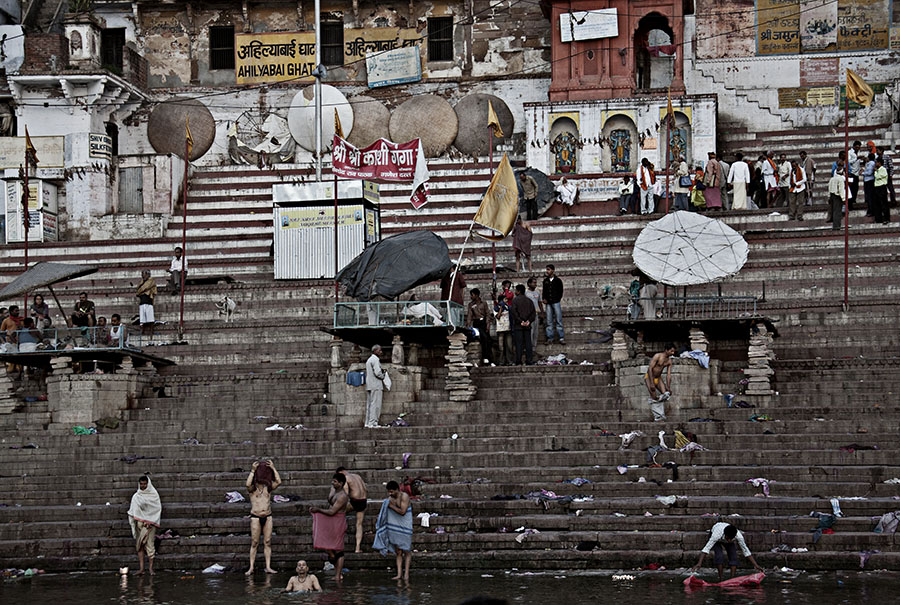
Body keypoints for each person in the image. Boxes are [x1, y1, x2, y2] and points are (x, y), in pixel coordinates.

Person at [310, 473, 349, 583]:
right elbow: (329, 500)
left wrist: (318, 510)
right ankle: (336, 567)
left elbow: (332, 512)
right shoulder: (334, 490)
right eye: (333, 481)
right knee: (328, 546)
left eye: (335, 481)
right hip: (331, 521)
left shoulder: (343, 496)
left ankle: (338, 575)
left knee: (338, 548)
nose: (333, 483)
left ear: (341, 484)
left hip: (338, 521)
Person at [691, 522, 763, 581]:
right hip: (716, 534)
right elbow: (707, 548)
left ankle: (732, 578)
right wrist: (699, 563)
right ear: (725, 535)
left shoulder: (738, 536)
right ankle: (721, 578)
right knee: (719, 556)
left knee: (734, 556)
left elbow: (745, 550)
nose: (728, 541)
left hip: (728, 535)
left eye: (730, 539)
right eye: (727, 538)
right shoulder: (716, 535)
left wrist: (755, 565)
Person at [245, 459, 282, 575]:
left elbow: (279, 481)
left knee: (267, 541)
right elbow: (247, 484)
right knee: (255, 542)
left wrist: (273, 468)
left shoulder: (268, 488)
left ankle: (268, 567)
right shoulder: (252, 489)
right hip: (255, 517)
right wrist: (252, 470)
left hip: (268, 516)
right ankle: (251, 567)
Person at [373, 480, 413, 581]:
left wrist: (391, 506)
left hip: (405, 525)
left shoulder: (404, 496)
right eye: (389, 492)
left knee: (407, 550)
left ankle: (406, 574)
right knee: (398, 551)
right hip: (395, 526)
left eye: (392, 492)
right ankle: (399, 574)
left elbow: (403, 512)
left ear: (397, 490)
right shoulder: (390, 499)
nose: (390, 494)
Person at [127, 475, 161, 576]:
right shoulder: (136, 496)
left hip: (150, 525)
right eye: (141, 484)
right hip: (140, 524)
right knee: (140, 545)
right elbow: (133, 511)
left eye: (144, 484)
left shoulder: (154, 495)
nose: (143, 486)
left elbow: (156, 508)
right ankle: (141, 568)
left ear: (148, 484)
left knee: (150, 546)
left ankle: (150, 568)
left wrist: (150, 520)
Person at [336, 466, 368, 553]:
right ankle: (357, 548)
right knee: (359, 525)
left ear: (341, 472)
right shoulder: (357, 476)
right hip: (363, 501)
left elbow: (345, 493)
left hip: (355, 501)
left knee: (336, 512)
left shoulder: (346, 478)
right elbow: (365, 488)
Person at [645, 343, 675, 421]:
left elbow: (668, 375)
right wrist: (651, 383)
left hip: (658, 378)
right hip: (649, 377)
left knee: (666, 394)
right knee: (654, 397)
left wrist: (668, 387)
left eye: (673, 351)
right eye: (671, 351)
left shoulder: (669, 361)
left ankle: (660, 414)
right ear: (666, 350)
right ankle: (657, 416)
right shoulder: (657, 356)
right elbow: (650, 369)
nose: (673, 353)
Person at [466, 288, 493, 365]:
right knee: (483, 338)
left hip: (484, 322)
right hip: (476, 323)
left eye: (472, 295)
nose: (471, 297)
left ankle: (489, 359)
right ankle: (485, 358)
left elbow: (487, 314)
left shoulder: (484, 303)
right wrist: (468, 325)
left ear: (476, 295)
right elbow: (469, 316)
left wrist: (488, 324)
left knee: (488, 340)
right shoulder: (470, 305)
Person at [509, 284, 535, 366]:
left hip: (518, 326)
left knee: (519, 344)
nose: (515, 292)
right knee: (528, 343)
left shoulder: (515, 301)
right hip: (527, 325)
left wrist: (520, 321)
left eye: (516, 290)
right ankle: (529, 360)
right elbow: (533, 313)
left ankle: (518, 361)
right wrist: (528, 321)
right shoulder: (529, 301)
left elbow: (514, 313)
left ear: (518, 291)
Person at [541, 264, 564, 345]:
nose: (547, 271)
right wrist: (544, 298)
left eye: (549, 269)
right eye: (547, 269)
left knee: (558, 320)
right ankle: (550, 337)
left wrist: (557, 299)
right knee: (549, 321)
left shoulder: (558, 280)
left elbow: (560, 291)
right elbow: (544, 291)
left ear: (553, 270)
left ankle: (561, 337)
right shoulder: (545, 281)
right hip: (548, 303)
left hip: (556, 302)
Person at [364, 345, 386, 428]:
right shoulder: (375, 360)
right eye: (379, 350)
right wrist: (383, 375)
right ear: (375, 351)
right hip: (376, 385)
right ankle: (373, 422)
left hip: (370, 385)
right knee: (375, 404)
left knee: (369, 405)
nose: (381, 352)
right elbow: (378, 373)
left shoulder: (369, 360)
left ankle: (368, 422)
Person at [136, 271, 157, 340]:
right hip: (142, 301)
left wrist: (140, 291)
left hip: (148, 301)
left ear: (148, 275)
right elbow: (138, 290)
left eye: (144, 275)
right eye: (142, 275)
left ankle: (151, 333)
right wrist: (140, 291)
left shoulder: (151, 281)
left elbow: (143, 288)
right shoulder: (141, 282)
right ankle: (142, 331)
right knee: (142, 319)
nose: (143, 276)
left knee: (150, 319)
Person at [493, 296, 513, 366]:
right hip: (500, 330)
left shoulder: (508, 307)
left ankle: (509, 361)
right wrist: (501, 308)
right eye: (505, 299)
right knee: (501, 347)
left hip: (508, 329)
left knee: (509, 346)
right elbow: (498, 317)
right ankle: (501, 362)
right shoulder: (496, 309)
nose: (506, 301)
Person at [827, 167, 847, 231]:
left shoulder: (832, 179)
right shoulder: (840, 179)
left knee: (834, 211)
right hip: (837, 196)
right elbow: (841, 190)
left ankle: (835, 225)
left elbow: (829, 189)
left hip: (832, 195)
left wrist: (829, 197)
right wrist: (843, 198)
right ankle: (837, 226)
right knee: (837, 212)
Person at [525, 277, 542, 353]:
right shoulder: (526, 292)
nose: (535, 284)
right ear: (529, 284)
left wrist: (542, 312)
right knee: (530, 332)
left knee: (535, 332)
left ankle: (534, 348)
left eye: (536, 282)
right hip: (529, 315)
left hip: (536, 314)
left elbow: (540, 302)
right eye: (533, 283)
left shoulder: (537, 292)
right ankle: (529, 348)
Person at [873, 157, 890, 224]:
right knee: (877, 204)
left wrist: (875, 172)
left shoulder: (883, 169)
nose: (875, 164)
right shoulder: (878, 170)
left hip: (882, 187)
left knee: (884, 204)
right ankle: (878, 219)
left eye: (876, 162)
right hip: (877, 187)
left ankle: (886, 218)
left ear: (879, 163)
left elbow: (878, 176)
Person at [848, 140, 862, 208]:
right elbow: (848, 162)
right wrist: (856, 158)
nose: (857, 149)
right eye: (856, 147)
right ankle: (850, 203)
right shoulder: (850, 153)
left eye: (858, 147)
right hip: (851, 173)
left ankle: (853, 200)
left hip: (857, 174)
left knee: (856, 189)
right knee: (851, 189)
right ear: (853, 146)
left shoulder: (858, 153)